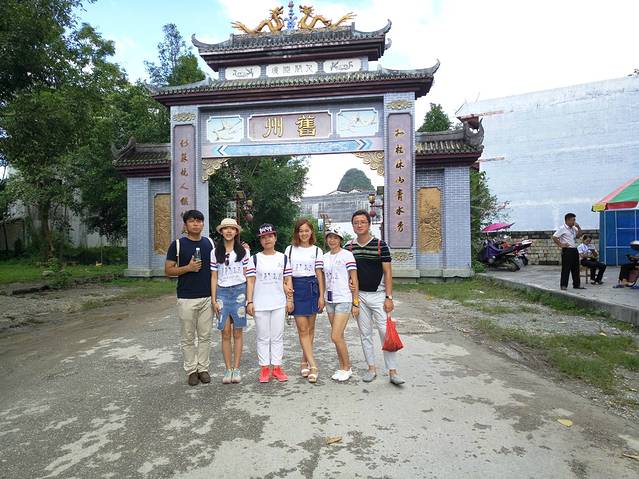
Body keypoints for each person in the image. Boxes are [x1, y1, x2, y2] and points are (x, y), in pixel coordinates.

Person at [347, 210, 405, 386]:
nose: (359, 225)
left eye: (363, 222)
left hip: (379, 295)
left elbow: (388, 272)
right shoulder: (349, 247)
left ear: (369, 224)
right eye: (356, 222)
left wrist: (389, 297)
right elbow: (346, 271)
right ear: (353, 226)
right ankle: (371, 368)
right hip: (360, 296)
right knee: (365, 334)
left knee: (386, 333)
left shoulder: (381, 245)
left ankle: (392, 371)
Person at [164, 210, 214, 387]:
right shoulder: (177, 245)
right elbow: (168, 270)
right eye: (192, 221)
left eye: (199, 221)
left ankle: (203, 369)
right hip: (186, 297)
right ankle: (192, 370)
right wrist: (188, 268)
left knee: (205, 336)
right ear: (185, 225)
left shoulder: (209, 243)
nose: (196, 224)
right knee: (188, 337)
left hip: (207, 297)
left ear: (203, 224)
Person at [246, 224, 293, 383]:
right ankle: (265, 369)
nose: (267, 240)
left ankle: (277, 368)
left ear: (275, 238)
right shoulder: (254, 259)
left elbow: (287, 280)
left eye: (270, 236)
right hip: (260, 304)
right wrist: (250, 301)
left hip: (279, 303)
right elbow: (250, 281)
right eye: (264, 237)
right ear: (260, 240)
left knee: (277, 337)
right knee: (263, 337)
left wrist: (289, 300)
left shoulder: (283, 258)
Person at [284, 219, 325, 383]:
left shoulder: (317, 250)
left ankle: (304, 361)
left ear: (311, 232)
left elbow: (319, 274)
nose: (304, 233)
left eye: (306, 230)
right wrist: (289, 297)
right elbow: (287, 274)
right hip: (296, 288)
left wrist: (321, 296)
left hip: (312, 288)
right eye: (301, 231)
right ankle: (313, 365)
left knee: (310, 328)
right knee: (302, 329)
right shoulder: (289, 250)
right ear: (296, 233)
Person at [211, 218, 250, 384]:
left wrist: (249, 299)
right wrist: (213, 299)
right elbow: (214, 276)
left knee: (238, 332)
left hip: (239, 292)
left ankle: (236, 368)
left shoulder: (243, 252)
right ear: (221, 231)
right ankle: (227, 369)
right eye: (225, 228)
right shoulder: (215, 252)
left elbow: (248, 276)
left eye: (232, 229)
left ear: (236, 232)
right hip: (222, 293)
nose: (228, 231)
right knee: (225, 332)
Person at [323, 225, 359, 382]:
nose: (332, 240)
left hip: (343, 298)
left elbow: (354, 279)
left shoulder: (347, 255)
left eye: (335, 237)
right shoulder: (324, 257)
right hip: (329, 300)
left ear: (340, 240)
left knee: (335, 336)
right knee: (339, 336)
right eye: (330, 237)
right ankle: (342, 366)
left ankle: (347, 368)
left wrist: (356, 302)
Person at [552, 213, 584, 291]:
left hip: (574, 249)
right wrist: (561, 244)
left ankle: (576, 284)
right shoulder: (562, 228)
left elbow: (579, 235)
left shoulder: (573, 228)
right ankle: (563, 285)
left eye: (574, 220)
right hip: (567, 250)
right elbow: (554, 237)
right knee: (566, 268)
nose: (574, 222)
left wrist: (578, 227)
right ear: (568, 220)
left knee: (576, 268)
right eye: (573, 220)